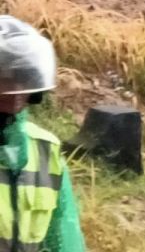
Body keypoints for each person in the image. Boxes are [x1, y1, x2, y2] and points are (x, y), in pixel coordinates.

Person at [0, 16, 85, 252]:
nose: (15, 91)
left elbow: (65, 235)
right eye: (5, 79)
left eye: (20, 79)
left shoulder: (44, 148)